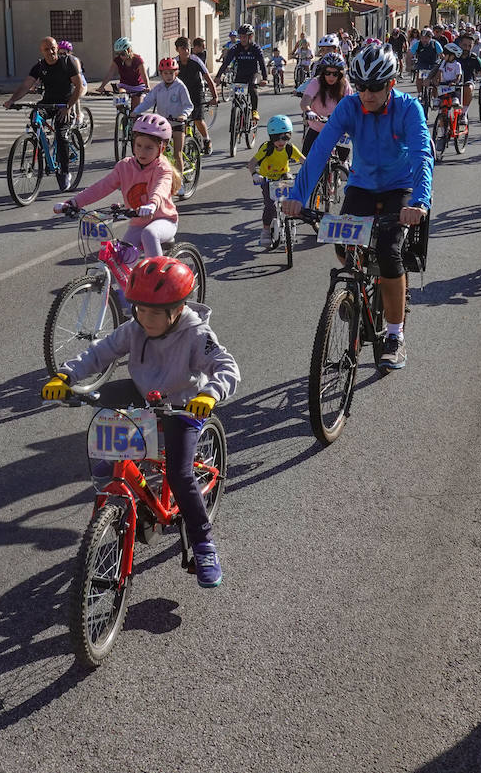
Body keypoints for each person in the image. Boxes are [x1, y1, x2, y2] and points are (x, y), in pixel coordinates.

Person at [42, 255, 240, 589]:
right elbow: (99, 352)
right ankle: (111, 494)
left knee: (179, 476)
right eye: (139, 309)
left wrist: (209, 394)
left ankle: (204, 544)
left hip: (182, 405)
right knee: (104, 433)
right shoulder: (134, 328)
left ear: (176, 310)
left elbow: (226, 366)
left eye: (153, 312)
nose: (143, 318)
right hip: (142, 395)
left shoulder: (196, 334)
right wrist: (67, 375)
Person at [281, 44, 432, 370]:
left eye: (375, 87)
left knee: (390, 252)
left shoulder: (409, 109)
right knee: (341, 241)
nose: (366, 93)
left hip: (399, 187)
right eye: (361, 85)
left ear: (391, 83)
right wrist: (298, 196)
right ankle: (353, 290)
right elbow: (320, 149)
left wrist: (419, 201)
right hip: (361, 185)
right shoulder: (349, 106)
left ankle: (395, 335)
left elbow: (422, 155)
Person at [53, 113, 180, 258]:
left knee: (149, 234)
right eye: (138, 145)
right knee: (121, 261)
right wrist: (73, 202)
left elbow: (161, 188)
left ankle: (158, 278)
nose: (142, 151)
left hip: (163, 220)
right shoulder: (125, 166)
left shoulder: (162, 168)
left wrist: (152, 204)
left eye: (149, 148)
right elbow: (100, 187)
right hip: (138, 223)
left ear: (161, 149)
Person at [3, 36, 86, 190]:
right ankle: (40, 143)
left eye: (53, 48)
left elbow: (79, 87)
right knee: (34, 117)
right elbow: (26, 85)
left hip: (64, 105)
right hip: (47, 103)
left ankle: (65, 171)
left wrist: (68, 106)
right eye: (46, 49)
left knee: (61, 135)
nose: (51, 52)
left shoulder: (67, 63)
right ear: (42, 51)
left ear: (57, 48)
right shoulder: (39, 66)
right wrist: (12, 100)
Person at [249, 114, 305, 248]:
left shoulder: (290, 148)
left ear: (289, 136)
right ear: (271, 137)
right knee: (270, 206)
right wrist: (255, 174)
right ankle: (265, 231)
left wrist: (308, 172)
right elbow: (251, 163)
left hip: (283, 177)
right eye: (276, 138)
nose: (281, 141)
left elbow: (304, 161)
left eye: (285, 137)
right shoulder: (266, 148)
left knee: (291, 197)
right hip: (267, 179)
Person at [133, 58, 194, 181]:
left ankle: (179, 182)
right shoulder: (158, 88)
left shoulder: (180, 87)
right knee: (156, 153)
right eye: (165, 73)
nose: (168, 76)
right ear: (161, 74)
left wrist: (183, 115)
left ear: (176, 73)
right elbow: (148, 101)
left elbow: (188, 105)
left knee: (177, 153)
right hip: (163, 125)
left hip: (177, 123)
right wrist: (136, 111)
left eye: (171, 73)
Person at [298, 52, 352, 156]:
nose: (331, 77)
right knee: (306, 159)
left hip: (338, 130)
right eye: (327, 73)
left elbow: (350, 105)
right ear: (323, 72)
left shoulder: (345, 85)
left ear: (340, 74)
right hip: (318, 128)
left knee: (343, 161)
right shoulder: (316, 82)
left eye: (335, 74)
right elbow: (305, 100)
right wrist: (308, 111)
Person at [174, 37, 218, 155]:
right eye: (183, 49)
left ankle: (206, 140)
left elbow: (208, 79)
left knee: (198, 119)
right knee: (180, 119)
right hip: (181, 93)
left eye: (188, 48)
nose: (186, 51)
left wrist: (215, 97)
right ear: (177, 50)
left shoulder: (196, 60)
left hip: (197, 90)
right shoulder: (174, 62)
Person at [217, 24, 268, 120]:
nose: (242, 39)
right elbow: (226, 62)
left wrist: (265, 79)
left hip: (254, 74)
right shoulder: (236, 48)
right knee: (237, 96)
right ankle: (237, 114)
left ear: (250, 37)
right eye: (240, 37)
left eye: (244, 37)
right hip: (241, 74)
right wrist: (218, 76)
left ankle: (254, 111)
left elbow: (262, 64)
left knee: (252, 87)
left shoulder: (256, 49)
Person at [97, 37, 149, 109]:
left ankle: (134, 118)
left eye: (122, 53)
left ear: (129, 50)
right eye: (118, 54)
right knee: (120, 98)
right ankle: (122, 115)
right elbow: (110, 74)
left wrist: (147, 86)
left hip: (138, 86)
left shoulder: (138, 60)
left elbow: (144, 75)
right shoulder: (117, 60)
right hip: (124, 85)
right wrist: (102, 86)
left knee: (136, 111)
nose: (120, 56)